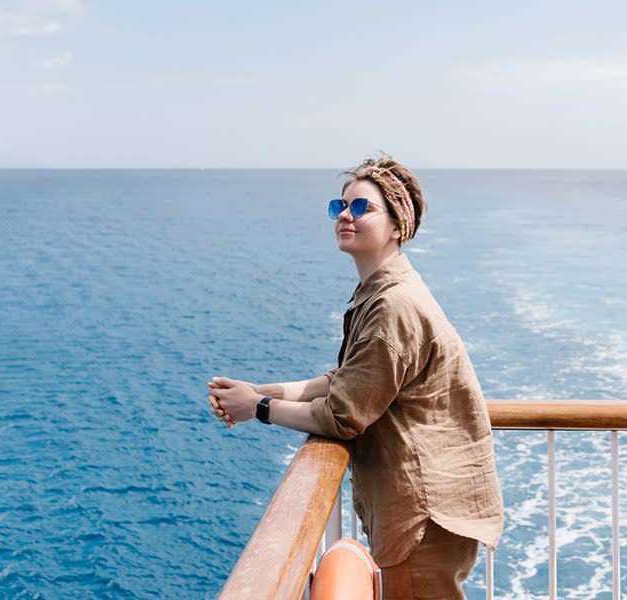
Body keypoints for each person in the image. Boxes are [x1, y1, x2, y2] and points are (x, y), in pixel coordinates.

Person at [207, 153, 504, 599]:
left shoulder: (394, 307)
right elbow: (347, 377)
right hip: (430, 508)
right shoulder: (383, 292)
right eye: (340, 206)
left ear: (397, 226)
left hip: (425, 511)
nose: (345, 215)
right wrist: (259, 391)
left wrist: (260, 409)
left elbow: (343, 415)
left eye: (362, 207)